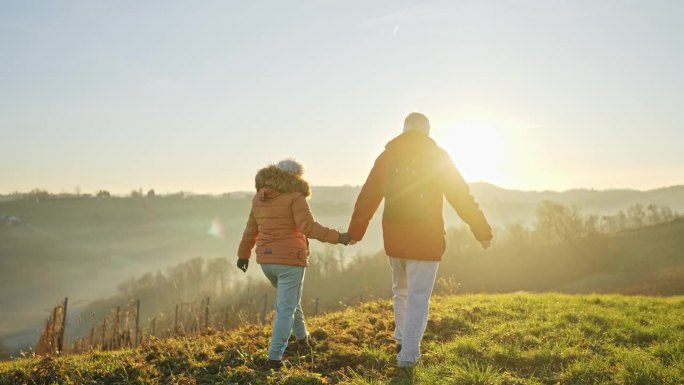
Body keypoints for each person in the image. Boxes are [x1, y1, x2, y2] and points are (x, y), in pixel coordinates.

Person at [347, 113, 492, 382]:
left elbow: (368, 194)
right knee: (418, 297)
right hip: (426, 239)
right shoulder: (438, 156)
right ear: (427, 131)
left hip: (395, 239)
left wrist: (356, 231)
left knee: (400, 291)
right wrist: (481, 230)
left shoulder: (388, 155)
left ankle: (402, 340)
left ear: (403, 129)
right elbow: (461, 196)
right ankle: (408, 358)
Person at [237, 159, 351, 370]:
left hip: (266, 261)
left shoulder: (260, 197)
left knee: (290, 300)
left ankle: (302, 340)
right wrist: (340, 237)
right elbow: (309, 227)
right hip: (290, 260)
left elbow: (250, 230)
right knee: (285, 309)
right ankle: (274, 359)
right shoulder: (296, 197)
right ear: (296, 177)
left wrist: (243, 255)